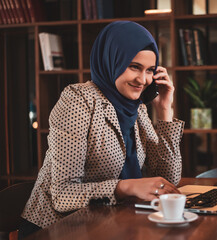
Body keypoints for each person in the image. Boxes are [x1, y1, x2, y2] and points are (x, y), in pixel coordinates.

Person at [19, 21, 184, 238]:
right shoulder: (78, 101)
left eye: (150, 71)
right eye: (134, 66)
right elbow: (62, 194)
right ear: (111, 60)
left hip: (110, 223)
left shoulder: (138, 109)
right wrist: (127, 187)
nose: (143, 80)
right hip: (58, 229)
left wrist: (164, 110)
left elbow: (169, 179)